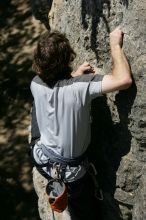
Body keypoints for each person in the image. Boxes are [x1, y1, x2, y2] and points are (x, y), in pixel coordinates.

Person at [30, 27, 132, 220]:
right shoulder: (81, 87)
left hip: (40, 155)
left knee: (37, 106)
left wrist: (74, 77)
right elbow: (124, 80)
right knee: (85, 213)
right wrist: (114, 45)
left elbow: (59, 89)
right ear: (69, 58)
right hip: (71, 173)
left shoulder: (35, 83)